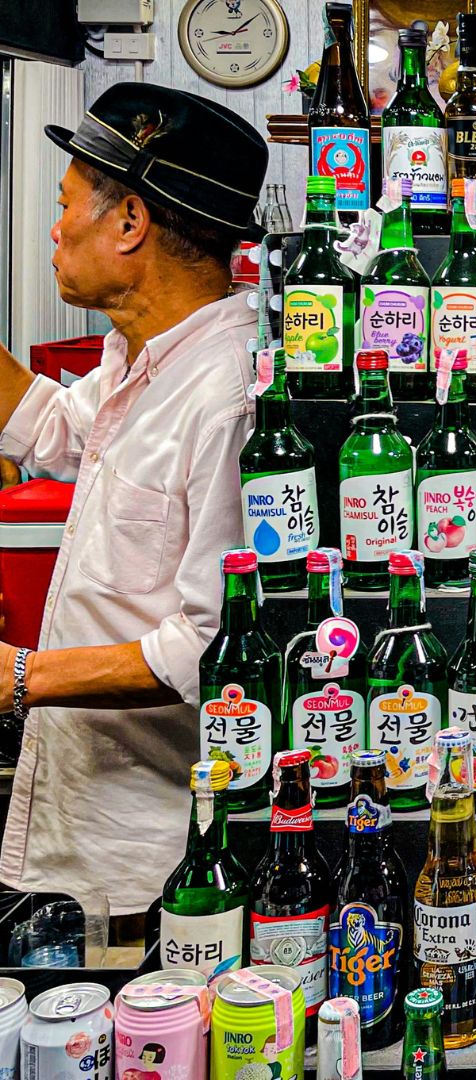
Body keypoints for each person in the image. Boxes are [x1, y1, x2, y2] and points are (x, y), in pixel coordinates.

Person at [0, 84, 268, 914]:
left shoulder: (228, 398)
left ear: (129, 224)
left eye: (66, 202)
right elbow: (52, 428)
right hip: (74, 829)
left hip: (152, 862)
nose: (54, 228)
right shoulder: (138, 355)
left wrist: (18, 677)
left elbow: (208, 645)